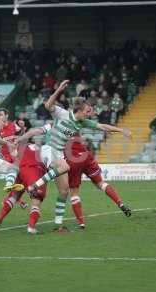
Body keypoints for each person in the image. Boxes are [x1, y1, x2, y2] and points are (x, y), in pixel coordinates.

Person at [16, 80, 131, 230]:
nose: (89, 114)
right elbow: (48, 105)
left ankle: (58, 225)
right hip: (49, 150)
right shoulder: (62, 113)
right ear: (80, 110)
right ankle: (34, 186)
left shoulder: (82, 123)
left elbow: (102, 126)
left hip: (58, 155)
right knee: (65, 167)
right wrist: (58, 91)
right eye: (87, 111)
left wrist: (121, 130)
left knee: (64, 191)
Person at [0, 126, 51, 233]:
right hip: (34, 171)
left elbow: (14, 157)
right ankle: (31, 227)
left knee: (13, 197)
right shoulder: (45, 148)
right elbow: (51, 165)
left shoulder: (22, 147)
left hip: (20, 171)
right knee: (36, 200)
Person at [65, 136, 132, 229]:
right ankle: (120, 203)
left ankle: (81, 223)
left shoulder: (57, 130)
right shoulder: (73, 126)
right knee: (101, 183)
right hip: (86, 156)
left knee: (74, 192)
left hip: (74, 159)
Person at [0, 108, 28, 209]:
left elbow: (21, 136)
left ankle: (14, 200)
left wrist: (22, 128)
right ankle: (13, 200)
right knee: (15, 180)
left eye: (1, 114)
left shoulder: (13, 125)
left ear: (6, 116)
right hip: (4, 156)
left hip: (15, 155)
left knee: (20, 179)